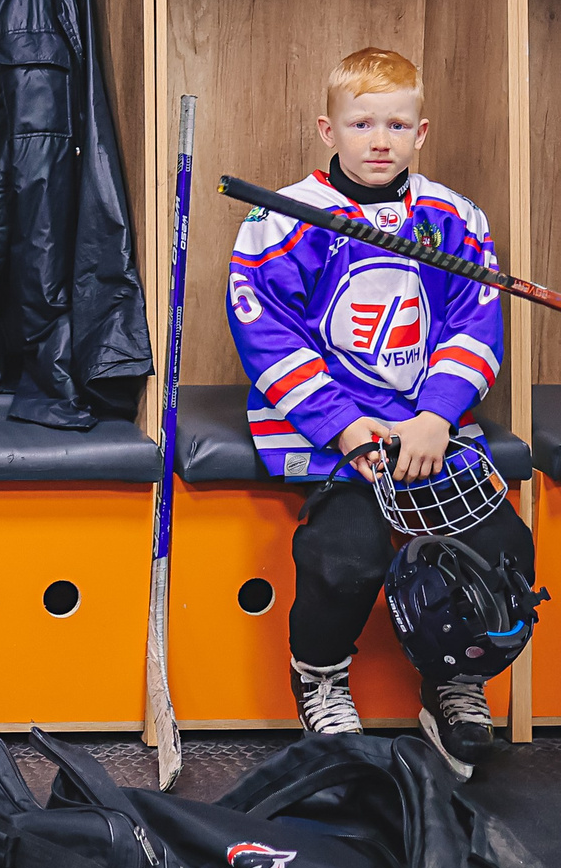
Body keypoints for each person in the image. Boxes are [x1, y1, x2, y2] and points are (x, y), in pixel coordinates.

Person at [228, 46, 535, 774]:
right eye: (361, 122)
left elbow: (476, 323)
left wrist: (435, 416)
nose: (379, 139)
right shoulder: (283, 219)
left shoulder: (454, 218)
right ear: (326, 129)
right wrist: (342, 424)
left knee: (502, 552)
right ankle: (321, 677)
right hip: (333, 433)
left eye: (396, 124)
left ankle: (453, 682)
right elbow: (265, 331)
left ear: (421, 133)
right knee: (344, 558)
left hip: (428, 431)